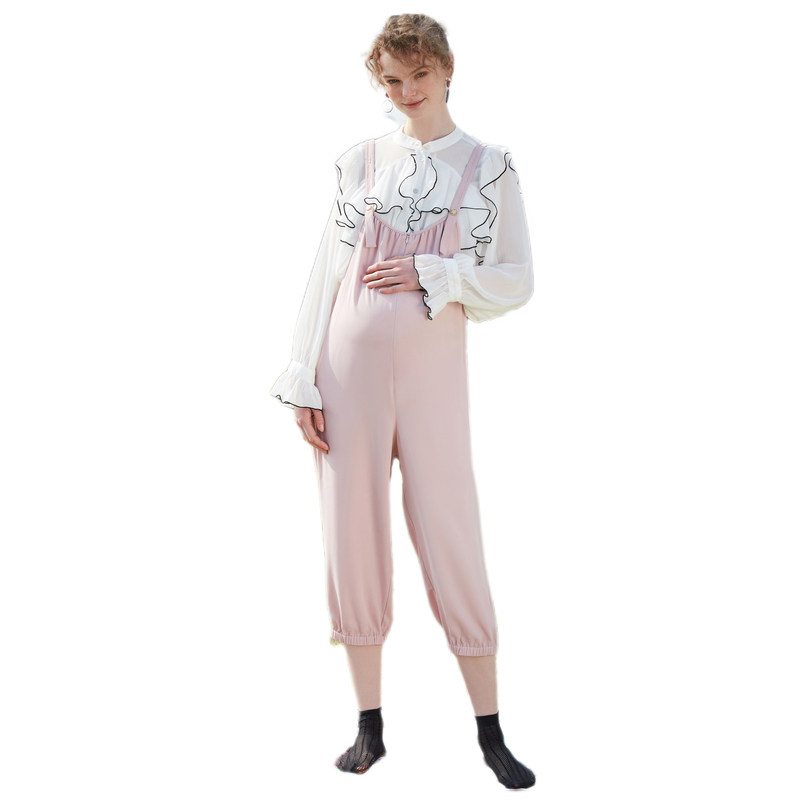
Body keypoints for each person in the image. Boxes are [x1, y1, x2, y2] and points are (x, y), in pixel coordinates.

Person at [270, 13, 536, 790]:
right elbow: (325, 271)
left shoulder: (487, 166)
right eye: (391, 79)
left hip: (431, 380)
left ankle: (490, 731)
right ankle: (369, 726)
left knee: (451, 529)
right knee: (349, 534)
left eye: (418, 74)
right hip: (343, 369)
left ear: (447, 69)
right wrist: (302, 374)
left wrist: (436, 271)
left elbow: (517, 279)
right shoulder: (362, 160)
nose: (407, 90)